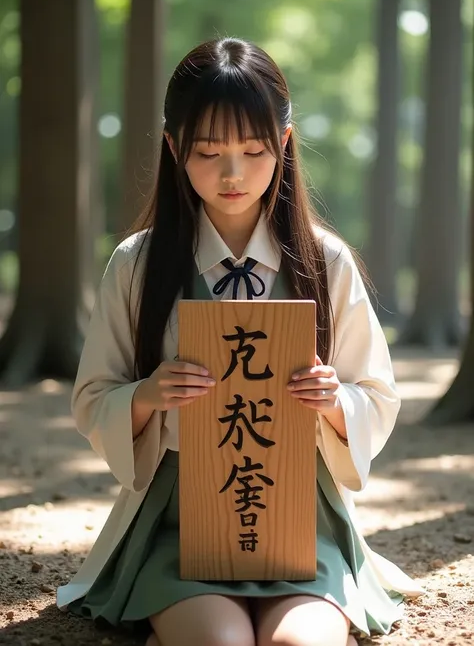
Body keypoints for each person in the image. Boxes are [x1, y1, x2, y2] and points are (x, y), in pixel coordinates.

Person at [57, 37, 423, 646]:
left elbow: (376, 397)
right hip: (178, 517)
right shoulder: (138, 263)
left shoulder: (324, 260)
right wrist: (148, 395)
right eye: (208, 151)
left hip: (300, 519)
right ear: (175, 148)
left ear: (283, 143)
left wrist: (333, 400)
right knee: (219, 642)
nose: (232, 173)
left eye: (253, 150)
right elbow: (94, 395)